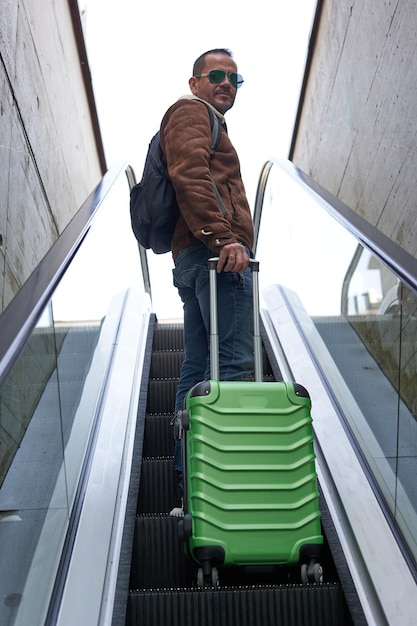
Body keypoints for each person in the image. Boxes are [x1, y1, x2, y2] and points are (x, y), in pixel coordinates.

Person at [159, 48, 255, 516]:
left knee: (197, 371)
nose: (225, 83)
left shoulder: (205, 117)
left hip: (197, 256)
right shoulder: (191, 112)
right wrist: (226, 240)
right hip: (217, 256)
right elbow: (190, 174)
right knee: (234, 366)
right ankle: (226, 486)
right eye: (216, 74)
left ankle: (192, 487)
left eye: (235, 79)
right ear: (195, 81)